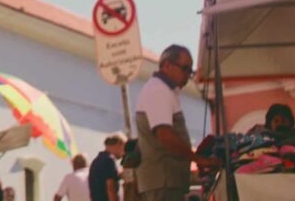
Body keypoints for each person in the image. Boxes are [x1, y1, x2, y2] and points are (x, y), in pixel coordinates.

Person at [134, 44, 218, 201]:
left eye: (190, 71)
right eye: (185, 69)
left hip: (167, 181)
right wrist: (198, 159)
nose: (188, 75)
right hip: (163, 181)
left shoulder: (164, 90)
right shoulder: (158, 90)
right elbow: (165, 136)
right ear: (167, 65)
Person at [88, 133, 125, 201]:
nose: (124, 152)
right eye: (124, 147)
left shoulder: (96, 160)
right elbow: (110, 187)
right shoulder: (109, 160)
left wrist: (118, 176)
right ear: (119, 143)